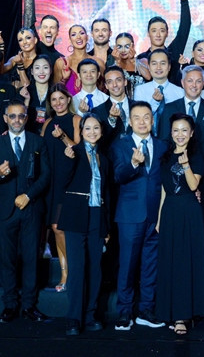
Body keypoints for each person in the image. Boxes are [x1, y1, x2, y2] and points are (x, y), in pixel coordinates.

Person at [0, 101, 51, 323]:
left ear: (26, 118)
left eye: (21, 116)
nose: (17, 120)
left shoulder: (37, 141)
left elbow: (46, 175)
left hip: (31, 209)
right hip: (5, 211)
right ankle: (10, 305)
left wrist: (28, 196)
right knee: (7, 259)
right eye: (12, 116)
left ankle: (29, 305)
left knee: (31, 258)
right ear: (5, 119)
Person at [157, 65, 204, 257]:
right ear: (182, 83)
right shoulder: (170, 108)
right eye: (190, 80)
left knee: (202, 225)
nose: (194, 85)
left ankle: (202, 265)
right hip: (176, 178)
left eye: (198, 81)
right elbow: (164, 142)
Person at [110, 101, 167, 331]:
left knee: (150, 265)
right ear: (130, 121)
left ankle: (146, 310)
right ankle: (124, 312)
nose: (142, 122)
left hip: (155, 215)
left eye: (146, 117)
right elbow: (118, 176)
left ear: (152, 120)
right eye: (137, 117)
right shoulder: (120, 145)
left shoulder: (162, 146)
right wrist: (133, 163)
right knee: (127, 265)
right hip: (130, 216)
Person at [155, 113, 204, 335]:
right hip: (170, 212)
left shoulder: (197, 156)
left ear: (192, 133)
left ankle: (184, 316)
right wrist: (160, 218)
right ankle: (171, 311)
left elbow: (194, 185)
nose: (180, 134)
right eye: (176, 130)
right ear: (171, 133)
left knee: (186, 262)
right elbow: (164, 189)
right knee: (171, 262)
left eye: (184, 130)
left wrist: (186, 165)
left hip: (189, 212)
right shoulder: (166, 156)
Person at [59, 113, 111, 336]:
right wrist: (68, 160)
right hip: (76, 215)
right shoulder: (73, 152)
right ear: (80, 131)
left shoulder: (103, 158)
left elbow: (107, 194)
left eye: (96, 128)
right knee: (77, 268)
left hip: (97, 215)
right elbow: (61, 182)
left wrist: (106, 226)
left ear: (101, 131)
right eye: (87, 128)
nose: (92, 132)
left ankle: (90, 315)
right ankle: (74, 318)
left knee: (95, 269)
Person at [40, 84, 82, 292]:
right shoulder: (48, 123)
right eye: (54, 100)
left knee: (63, 228)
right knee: (56, 229)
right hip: (52, 182)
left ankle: (71, 273)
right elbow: (40, 150)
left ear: (68, 100)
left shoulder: (76, 120)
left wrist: (63, 137)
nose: (58, 103)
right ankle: (65, 274)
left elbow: (81, 150)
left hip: (71, 180)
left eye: (61, 98)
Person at [135, 0, 191, 85]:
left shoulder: (173, 53)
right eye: (154, 31)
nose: (158, 34)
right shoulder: (141, 59)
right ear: (148, 34)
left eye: (162, 30)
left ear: (167, 33)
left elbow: (185, 28)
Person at [133, 49, 184, 128]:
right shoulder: (140, 90)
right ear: (149, 67)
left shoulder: (180, 92)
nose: (158, 67)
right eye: (154, 64)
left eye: (163, 63)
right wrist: (155, 102)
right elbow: (139, 117)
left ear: (169, 66)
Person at [54, 24, 100, 95]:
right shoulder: (61, 63)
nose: (78, 37)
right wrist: (64, 79)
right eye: (74, 34)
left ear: (87, 37)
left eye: (81, 33)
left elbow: (103, 92)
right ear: (70, 40)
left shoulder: (98, 62)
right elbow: (55, 92)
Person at [94, 66, 132, 142]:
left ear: (125, 82)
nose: (114, 85)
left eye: (118, 80)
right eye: (110, 82)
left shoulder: (138, 107)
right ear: (106, 86)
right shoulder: (97, 111)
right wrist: (112, 120)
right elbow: (99, 141)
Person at [19, 55, 52, 133]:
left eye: (45, 67)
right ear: (32, 72)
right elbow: (18, 118)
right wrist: (27, 100)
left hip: (50, 134)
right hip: (28, 135)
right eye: (37, 68)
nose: (41, 72)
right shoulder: (24, 91)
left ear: (51, 71)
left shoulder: (55, 92)